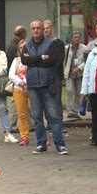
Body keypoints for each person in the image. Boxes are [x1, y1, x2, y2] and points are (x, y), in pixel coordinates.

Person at [21, 19, 68, 155]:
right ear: (31, 30)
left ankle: (60, 145)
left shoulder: (51, 43)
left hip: (48, 84)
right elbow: (24, 60)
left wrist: (34, 60)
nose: (36, 30)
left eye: (38, 28)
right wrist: (41, 58)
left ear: (43, 30)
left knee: (53, 116)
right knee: (37, 116)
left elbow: (52, 60)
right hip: (33, 85)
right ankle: (41, 144)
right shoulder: (27, 45)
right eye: (33, 28)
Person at [5, 25, 31, 133]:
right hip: (17, 79)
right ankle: (13, 125)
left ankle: (26, 125)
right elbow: (12, 66)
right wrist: (18, 80)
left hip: (20, 80)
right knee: (15, 105)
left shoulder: (11, 44)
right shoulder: (14, 48)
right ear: (23, 34)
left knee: (21, 106)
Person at [43, 20, 66, 129]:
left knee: (56, 100)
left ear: (52, 28)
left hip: (56, 75)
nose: (45, 30)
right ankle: (49, 122)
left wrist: (47, 59)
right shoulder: (41, 43)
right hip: (44, 75)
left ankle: (58, 124)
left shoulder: (58, 43)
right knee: (45, 100)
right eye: (44, 28)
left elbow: (59, 59)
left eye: (47, 28)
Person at [9, 39, 31, 146]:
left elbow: (34, 73)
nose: (23, 49)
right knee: (22, 115)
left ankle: (43, 138)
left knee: (37, 114)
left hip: (32, 89)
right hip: (19, 90)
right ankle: (24, 137)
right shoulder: (17, 60)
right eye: (21, 47)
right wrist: (19, 82)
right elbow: (11, 74)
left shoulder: (33, 59)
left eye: (26, 47)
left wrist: (26, 81)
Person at [63, 31, 86, 118]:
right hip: (69, 73)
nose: (77, 39)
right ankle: (70, 110)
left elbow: (86, 60)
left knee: (78, 92)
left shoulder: (84, 48)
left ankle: (76, 110)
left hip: (79, 74)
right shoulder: (67, 48)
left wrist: (80, 68)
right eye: (75, 37)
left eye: (78, 37)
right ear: (72, 38)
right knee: (69, 91)